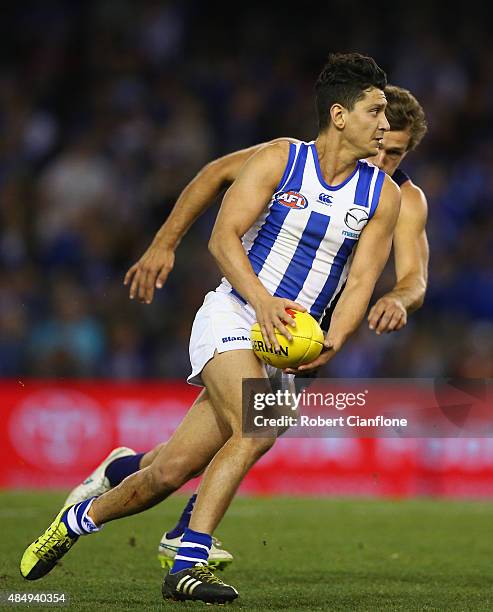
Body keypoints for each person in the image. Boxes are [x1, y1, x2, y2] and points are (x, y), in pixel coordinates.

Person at [20, 52, 401, 604]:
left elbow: (362, 281)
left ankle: (77, 520)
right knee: (256, 428)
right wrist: (263, 301)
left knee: (167, 473)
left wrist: (334, 340)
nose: (384, 124)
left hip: (290, 345)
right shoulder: (279, 160)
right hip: (236, 314)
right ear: (339, 115)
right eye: (376, 111)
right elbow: (224, 239)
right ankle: (188, 564)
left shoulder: (381, 196)